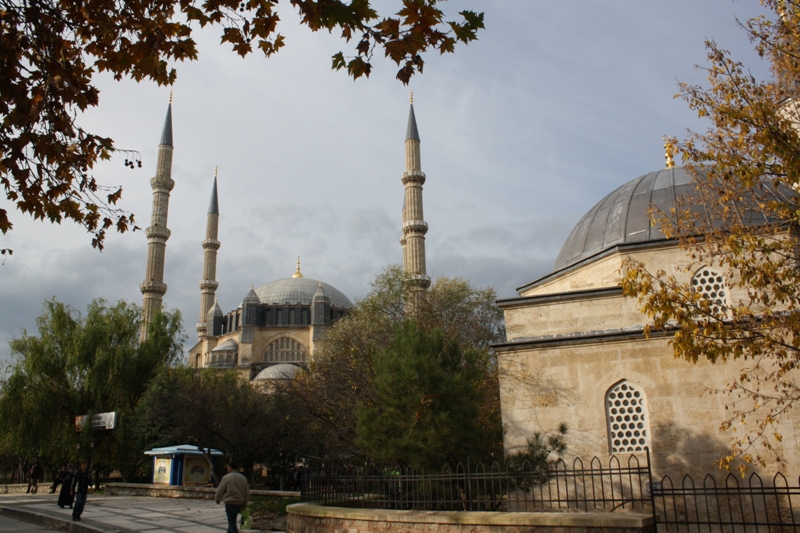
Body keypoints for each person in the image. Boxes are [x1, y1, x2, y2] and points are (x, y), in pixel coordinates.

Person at [214, 462, 250, 533]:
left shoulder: (226, 477)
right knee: (232, 521)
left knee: (232, 523)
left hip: (230, 502)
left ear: (230, 467)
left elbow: (220, 490)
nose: (227, 469)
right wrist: (245, 503)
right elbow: (247, 492)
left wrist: (217, 499)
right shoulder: (243, 478)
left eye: (227, 467)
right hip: (239, 502)